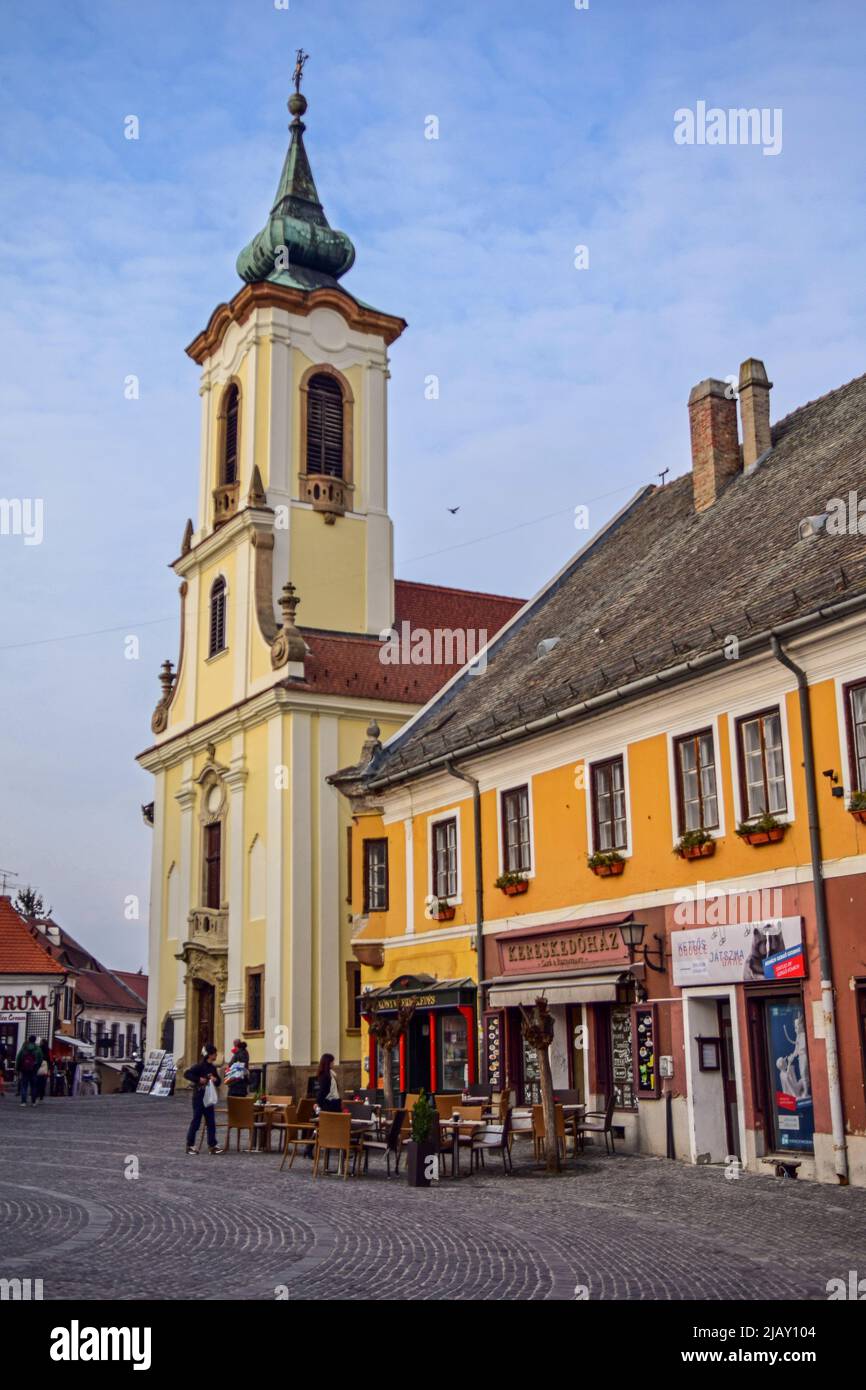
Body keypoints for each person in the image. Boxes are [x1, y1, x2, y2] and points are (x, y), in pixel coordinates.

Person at [184, 1044, 224, 1154]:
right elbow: (187, 1074)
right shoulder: (200, 1066)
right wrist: (199, 1079)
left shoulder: (212, 1068)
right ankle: (190, 1145)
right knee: (196, 1121)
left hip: (209, 1098)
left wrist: (215, 1079)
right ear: (210, 1055)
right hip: (198, 1097)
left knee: (211, 1122)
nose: (216, 1055)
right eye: (215, 1053)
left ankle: (212, 1145)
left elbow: (219, 1082)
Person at [16, 1035, 43, 1106]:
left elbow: (18, 1058)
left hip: (24, 1069)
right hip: (34, 1069)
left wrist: (17, 1068)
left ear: (29, 1040)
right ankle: (33, 1102)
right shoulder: (38, 1049)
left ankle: (23, 1102)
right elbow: (40, 1059)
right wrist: (37, 1067)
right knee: (34, 1086)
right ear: (35, 1040)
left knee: (24, 1085)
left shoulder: (24, 1048)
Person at [35, 1039, 51, 1104]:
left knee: (37, 1082)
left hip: (39, 1066)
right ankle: (41, 1095)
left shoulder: (39, 1049)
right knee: (43, 1082)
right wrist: (49, 1069)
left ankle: (37, 1094)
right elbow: (50, 1059)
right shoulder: (48, 1050)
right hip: (45, 1067)